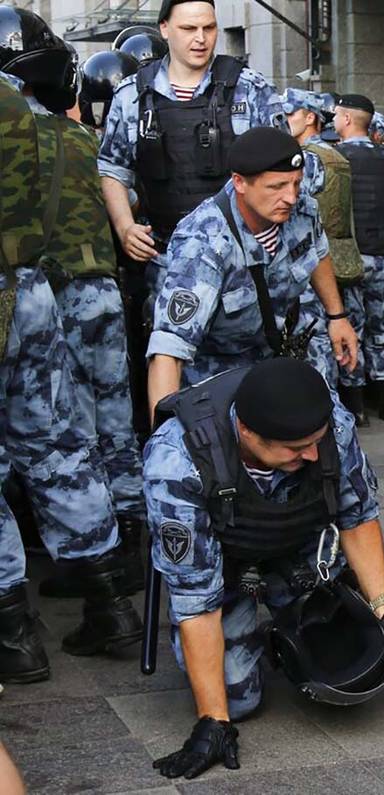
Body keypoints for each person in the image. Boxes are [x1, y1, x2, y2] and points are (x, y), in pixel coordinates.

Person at [145, 358, 384, 780]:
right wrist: (213, 721)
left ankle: (280, 624)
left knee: (353, 667)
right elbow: (196, 601)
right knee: (238, 701)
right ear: (247, 432)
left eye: (314, 442)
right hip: (224, 564)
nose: (310, 453)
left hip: (299, 545)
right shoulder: (177, 461)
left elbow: (357, 516)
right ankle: (250, 633)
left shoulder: (329, 425)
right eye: (293, 448)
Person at [0, 65, 143, 682]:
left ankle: (12, 633)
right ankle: (112, 606)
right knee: (58, 446)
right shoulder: (46, 121)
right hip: (31, 289)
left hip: (42, 287)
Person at [145, 127, 356, 416]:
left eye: (295, 183)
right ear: (240, 183)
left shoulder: (301, 208)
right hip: (220, 373)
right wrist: (166, 438)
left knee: (331, 427)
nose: (291, 197)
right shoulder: (204, 241)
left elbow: (316, 252)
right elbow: (169, 350)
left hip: (280, 355)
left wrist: (337, 316)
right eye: (277, 187)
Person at [98, 0, 284, 294]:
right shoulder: (132, 95)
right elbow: (112, 169)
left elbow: (284, 168)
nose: (201, 38)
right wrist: (124, 227)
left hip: (242, 264)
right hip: (166, 264)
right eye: (189, 28)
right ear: (165, 28)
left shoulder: (251, 88)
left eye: (208, 28)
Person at [282, 88, 370, 426]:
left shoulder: (308, 159)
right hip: (339, 257)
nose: (284, 120)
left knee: (316, 348)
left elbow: (298, 215)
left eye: (291, 114)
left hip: (311, 264)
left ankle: (325, 421)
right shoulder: (336, 155)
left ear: (309, 117)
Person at [333, 93, 384, 422]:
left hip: (348, 260)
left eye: (336, 115)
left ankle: (356, 407)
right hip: (381, 255)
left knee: (353, 329)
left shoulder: (334, 158)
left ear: (346, 119)